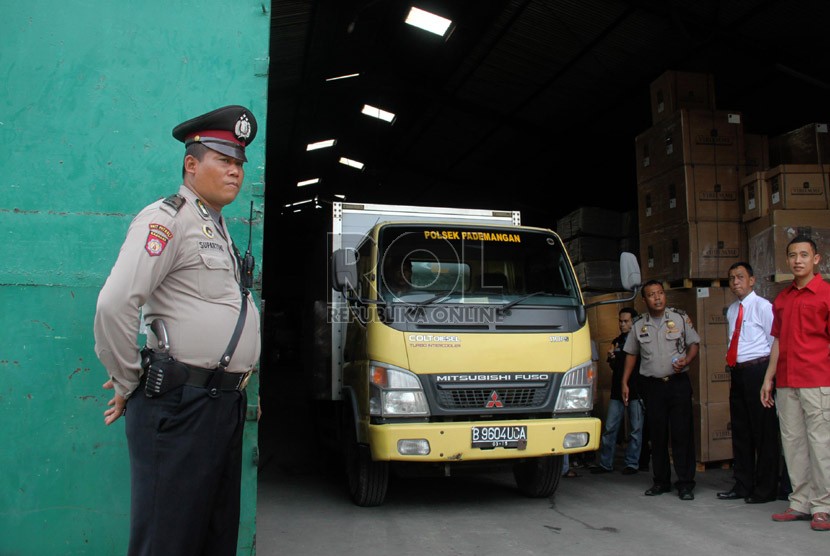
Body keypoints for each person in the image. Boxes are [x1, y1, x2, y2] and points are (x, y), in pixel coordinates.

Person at [94, 105, 262, 555]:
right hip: (180, 406)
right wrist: (130, 380)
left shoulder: (218, 228)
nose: (235, 172)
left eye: (239, 164)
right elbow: (114, 305)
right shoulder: (168, 220)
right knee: (167, 542)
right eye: (223, 161)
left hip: (220, 405)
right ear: (191, 164)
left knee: (213, 538)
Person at [761, 235, 830, 531]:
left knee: (821, 444)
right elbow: (777, 340)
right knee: (793, 444)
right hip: (787, 382)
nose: (797, 260)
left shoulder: (826, 294)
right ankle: (801, 502)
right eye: (792, 255)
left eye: (804, 255)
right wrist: (769, 378)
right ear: (787, 260)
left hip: (818, 380)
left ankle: (823, 506)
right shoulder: (783, 298)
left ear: (816, 259)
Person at [622, 280, 700, 501]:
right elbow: (631, 354)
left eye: (660, 293)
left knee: (682, 434)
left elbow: (694, 344)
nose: (657, 298)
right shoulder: (638, 326)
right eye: (651, 295)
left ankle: (685, 483)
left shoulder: (679, 318)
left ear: (664, 296)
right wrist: (624, 382)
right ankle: (661, 481)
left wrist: (688, 359)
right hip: (653, 387)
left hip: (678, 383)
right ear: (644, 299)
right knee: (657, 435)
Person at [716, 262, 780, 504]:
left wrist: (768, 378)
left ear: (752, 280)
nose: (735, 282)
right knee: (741, 431)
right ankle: (743, 484)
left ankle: (766, 489)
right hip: (739, 372)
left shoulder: (764, 307)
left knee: (763, 431)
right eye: (731, 278)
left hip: (759, 370)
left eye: (740, 277)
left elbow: (775, 343)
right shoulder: (732, 310)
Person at [591, 307, 644, 475]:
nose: (622, 324)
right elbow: (614, 366)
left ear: (634, 321)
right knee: (610, 428)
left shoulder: (641, 341)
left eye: (626, 321)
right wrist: (612, 358)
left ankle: (632, 463)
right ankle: (606, 463)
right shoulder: (617, 341)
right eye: (620, 321)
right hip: (616, 392)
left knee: (636, 429)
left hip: (635, 390)